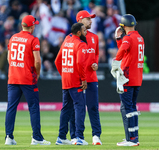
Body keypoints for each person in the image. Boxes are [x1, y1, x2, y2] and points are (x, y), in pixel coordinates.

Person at [5, 15, 51, 146]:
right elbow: (37, 60)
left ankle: (9, 137)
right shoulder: (33, 39)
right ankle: (36, 137)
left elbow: (9, 59)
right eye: (34, 24)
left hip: (13, 78)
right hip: (27, 78)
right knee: (34, 108)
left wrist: (16, 68)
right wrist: (37, 74)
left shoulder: (13, 38)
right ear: (31, 26)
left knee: (11, 108)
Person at [69, 10, 102, 145]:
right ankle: (75, 136)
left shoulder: (94, 37)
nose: (91, 21)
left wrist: (96, 64)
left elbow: (96, 55)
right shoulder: (71, 38)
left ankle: (96, 136)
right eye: (88, 19)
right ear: (81, 20)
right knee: (75, 108)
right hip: (76, 79)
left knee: (93, 107)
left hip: (92, 78)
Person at [111, 14, 144, 146]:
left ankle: (131, 139)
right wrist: (119, 39)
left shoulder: (129, 38)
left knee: (126, 108)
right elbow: (127, 51)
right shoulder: (140, 38)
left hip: (127, 78)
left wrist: (115, 62)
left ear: (123, 26)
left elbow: (123, 49)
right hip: (137, 78)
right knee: (131, 107)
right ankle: (134, 137)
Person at [54, 23, 88, 145]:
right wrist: (83, 79)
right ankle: (79, 137)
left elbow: (57, 61)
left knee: (66, 108)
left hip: (66, 80)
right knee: (79, 107)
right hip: (75, 81)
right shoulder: (81, 44)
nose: (86, 32)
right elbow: (80, 63)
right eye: (84, 30)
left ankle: (61, 137)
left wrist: (64, 74)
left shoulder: (66, 41)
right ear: (78, 32)